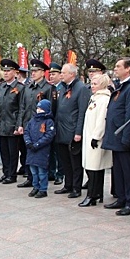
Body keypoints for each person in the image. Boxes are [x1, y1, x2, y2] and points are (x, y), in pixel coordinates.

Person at [102, 58, 130, 215]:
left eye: (118, 66)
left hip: (123, 137)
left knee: (128, 171)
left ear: (128, 69)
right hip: (115, 136)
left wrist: (127, 137)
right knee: (118, 170)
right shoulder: (121, 87)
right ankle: (121, 197)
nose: (115, 69)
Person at [17, 59, 57, 188]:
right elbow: (22, 107)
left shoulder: (48, 88)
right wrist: (20, 124)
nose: (33, 73)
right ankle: (30, 178)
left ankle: (44, 180)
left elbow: (52, 109)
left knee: (41, 154)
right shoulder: (28, 87)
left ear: (42, 72)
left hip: (42, 126)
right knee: (29, 153)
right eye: (32, 71)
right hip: (29, 125)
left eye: (35, 71)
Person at [54, 63, 90, 199]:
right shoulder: (63, 88)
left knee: (75, 162)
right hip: (61, 129)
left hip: (72, 131)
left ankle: (76, 187)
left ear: (72, 74)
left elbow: (82, 112)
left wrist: (78, 132)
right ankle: (67, 184)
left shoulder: (81, 89)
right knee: (65, 161)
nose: (61, 75)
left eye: (63, 72)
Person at [79, 74, 113, 207]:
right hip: (89, 137)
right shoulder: (94, 98)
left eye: (95, 84)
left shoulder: (104, 99)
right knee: (92, 168)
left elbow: (101, 120)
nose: (92, 86)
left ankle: (92, 195)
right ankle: (95, 193)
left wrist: (97, 136)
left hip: (95, 139)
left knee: (95, 168)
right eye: (92, 84)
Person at [0, 59, 24, 185]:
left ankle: (12, 174)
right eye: (4, 71)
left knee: (12, 152)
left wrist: (18, 125)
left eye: (8, 71)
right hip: (2, 124)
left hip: (12, 124)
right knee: (3, 151)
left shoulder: (20, 88)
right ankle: (5, 173)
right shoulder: (1, 87)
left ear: (15, 72)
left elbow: (22, 108)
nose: (5, 73)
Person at [23, 99, 55, 198]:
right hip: (31, 149)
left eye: (41, 109)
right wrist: (28, 142)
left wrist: (37, 145)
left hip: (42, 150)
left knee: (42, 172)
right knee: (33, 171)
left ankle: (43, 189)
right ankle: (35, 187)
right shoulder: (32, 120)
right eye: (38, 108)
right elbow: (26, 132)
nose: (38, 110)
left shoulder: (49, 122)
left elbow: (48, 136)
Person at [47, 62, 65, 184]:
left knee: (60, 152)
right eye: (50, 74)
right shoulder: (50, 88)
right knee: (51, 150)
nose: (51, 76)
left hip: (60, 123)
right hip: (51, 122)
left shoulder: (63, 88)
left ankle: (60, 174)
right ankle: (51, 172)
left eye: (54, 74)